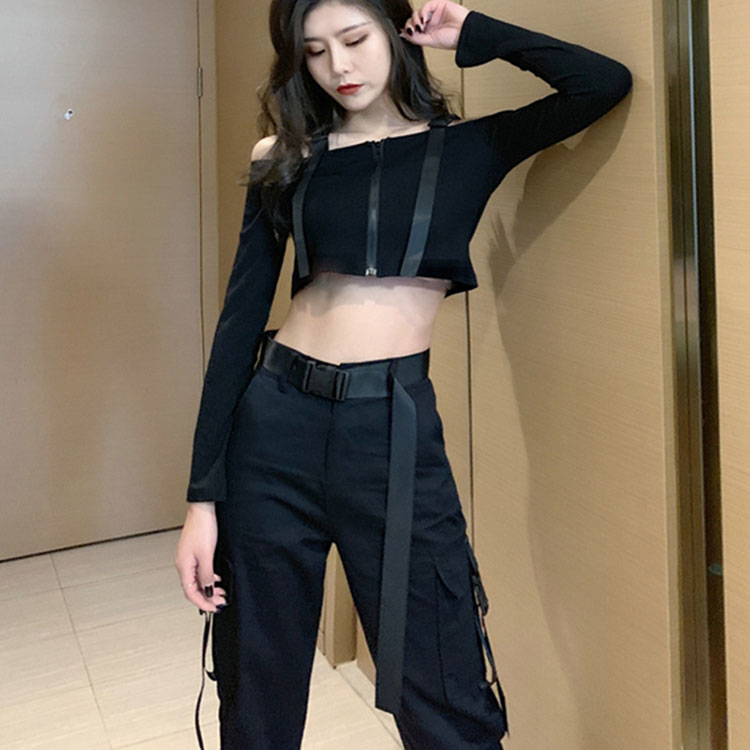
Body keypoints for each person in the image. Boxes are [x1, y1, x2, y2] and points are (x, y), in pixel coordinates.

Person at [174, 1, 632, 748]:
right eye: (315, 50)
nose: (339, 66)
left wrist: (471, 32)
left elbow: (601, 83)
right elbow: (237, 324)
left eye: (355, 39)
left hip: (390, 427)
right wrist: (203, 498)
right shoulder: (284, 156)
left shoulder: (470, 147)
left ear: (393, 32)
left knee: (443, 685)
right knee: (256, 686)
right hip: (274, 424)